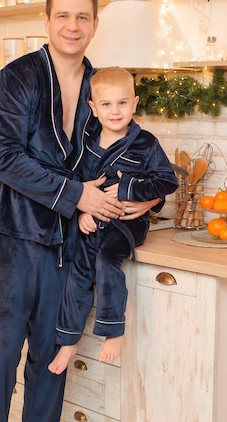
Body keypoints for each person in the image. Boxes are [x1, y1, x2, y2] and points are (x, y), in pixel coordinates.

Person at [0, 0, 160, 422]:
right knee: (1, 352)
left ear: (95, 24)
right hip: (11, 235)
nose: (72, 26)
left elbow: (136, 152)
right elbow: (4, 158)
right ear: (47, 20)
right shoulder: (18, 78)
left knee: (54, 348)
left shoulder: (105, 84)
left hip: (68, 245)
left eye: (83, 17)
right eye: (63, 16)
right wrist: (78, 195)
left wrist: (148, 201)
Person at [49, 67, 178, 374]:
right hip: (93, 222)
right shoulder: (86, 144)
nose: (115, 111)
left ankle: (113, 330)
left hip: (125, 223)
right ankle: (68, 342)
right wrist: (82, 213)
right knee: (77, 273)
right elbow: (77, 184)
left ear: (134, 104)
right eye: (106, 104)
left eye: (122, 103)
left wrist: (130, 189)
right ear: (93, 108)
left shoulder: (145, 143)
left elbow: (167, 181)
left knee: (107, 262)